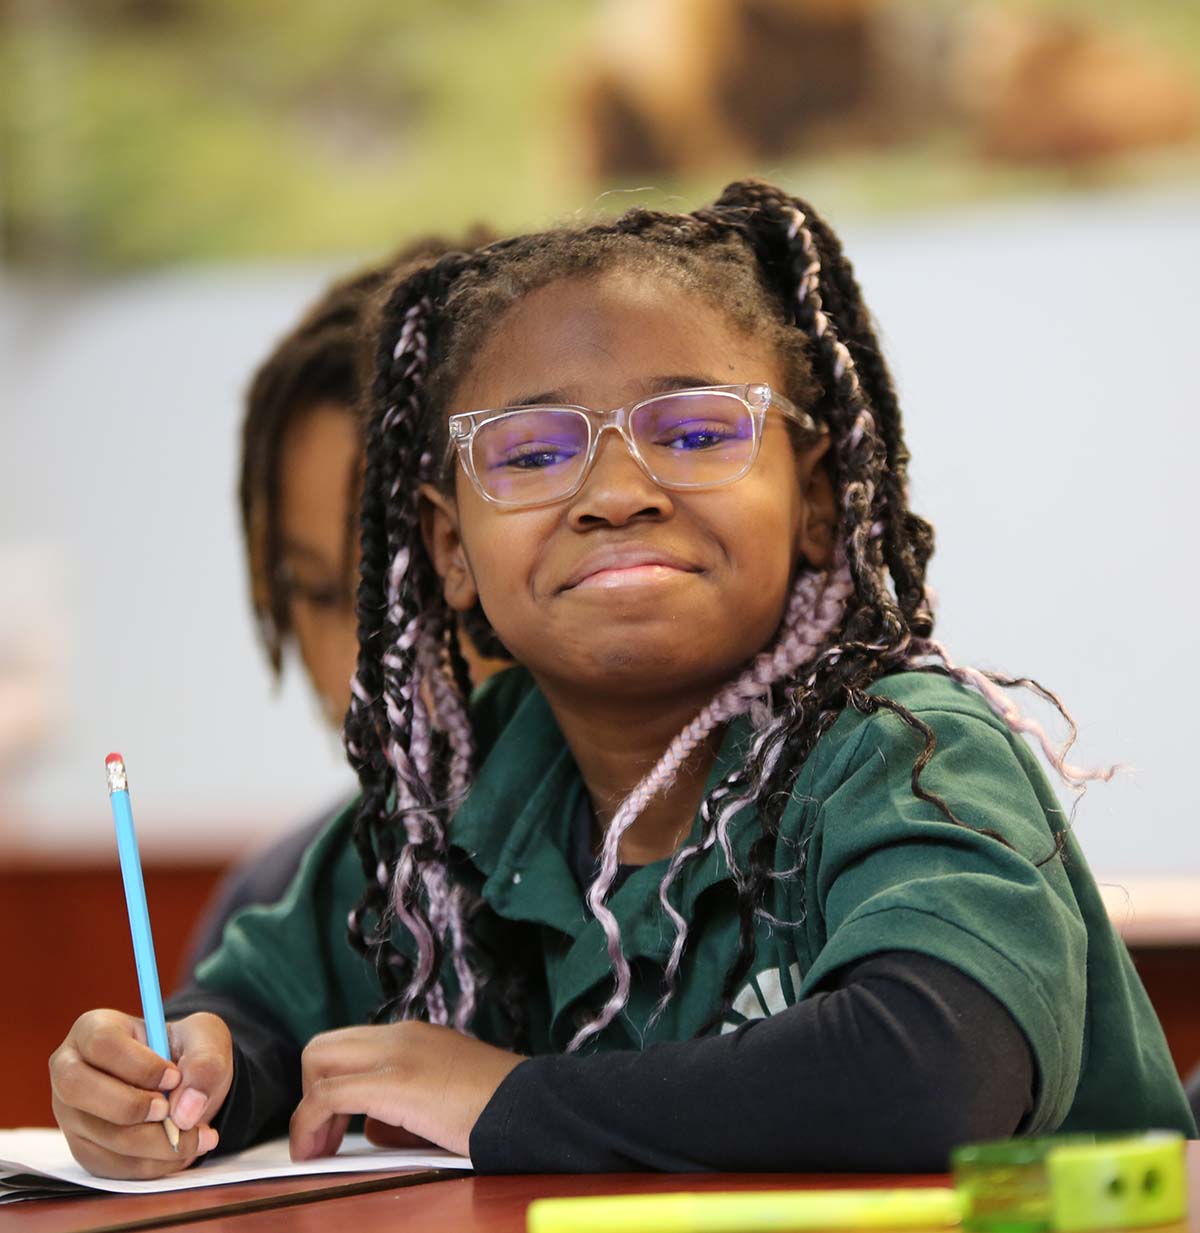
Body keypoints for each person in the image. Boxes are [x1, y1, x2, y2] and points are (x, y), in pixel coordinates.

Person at [50, 180, 1196, 1179]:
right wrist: (185, 1074)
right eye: (534, 453)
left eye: (695, 432)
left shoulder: (907, 752)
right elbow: (258, 1008)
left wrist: (505, 1102)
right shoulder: (456, 797)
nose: (614, 489)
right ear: (452, 550)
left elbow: (930, 1078)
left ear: (815, 496)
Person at [182, 233, 505, 978]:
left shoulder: (753, 867)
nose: (380, 669)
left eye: (444, 582)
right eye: (328, 595)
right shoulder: (279, 909)